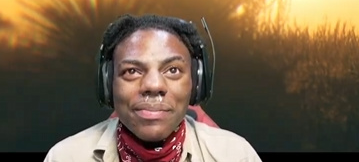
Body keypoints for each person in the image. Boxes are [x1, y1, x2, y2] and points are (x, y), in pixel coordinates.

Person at [43, 14, 262, 162]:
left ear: (197, 82)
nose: (153, 85)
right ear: (108, 82)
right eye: (132, 71)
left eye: (173, 70)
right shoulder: (64, 156)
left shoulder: (236, 155)